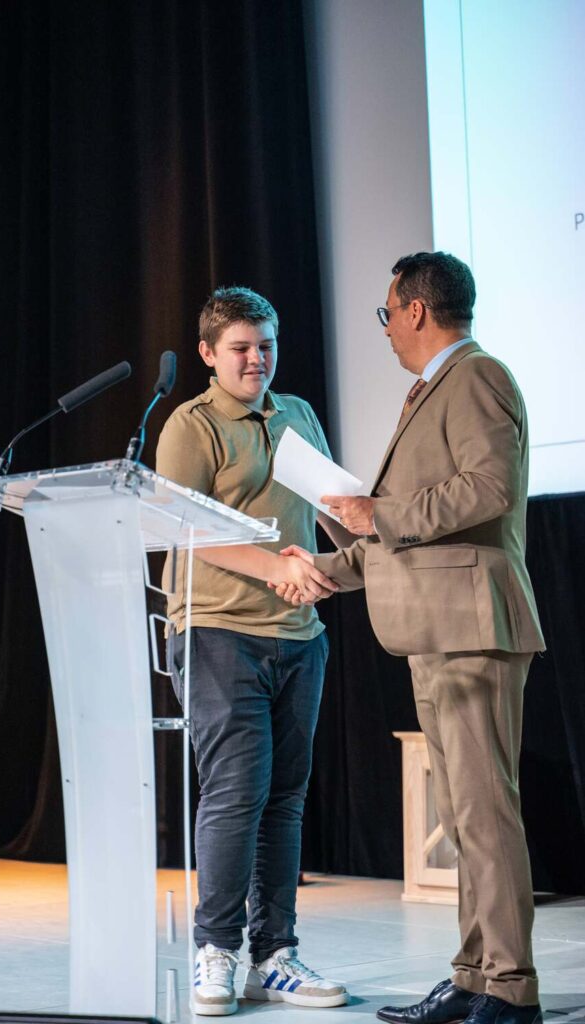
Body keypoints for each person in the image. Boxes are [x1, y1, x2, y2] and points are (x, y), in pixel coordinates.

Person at [276, 253, 545, 1024]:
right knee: (464, 817)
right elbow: (401, 531)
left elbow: (487, 488)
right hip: (433, 624)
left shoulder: (477, 377)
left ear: (417, 310)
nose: (387, 326)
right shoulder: (428, 391)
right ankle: (472, 977)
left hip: (472, 624)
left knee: (485, 812)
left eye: (387, 311)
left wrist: (377, 514)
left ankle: (510, 988)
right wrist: (328, 564)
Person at [155, 286, 348, 1016]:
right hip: (215, 628)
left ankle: (276, 955)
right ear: (208, 354)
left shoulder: (295, 413)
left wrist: (367, 556)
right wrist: (274, 567)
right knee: (236, 794)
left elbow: (331, 507)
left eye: (265, 344)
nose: (255, 359)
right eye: (239, 347)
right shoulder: (191, 423)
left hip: (298, 635)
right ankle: (216, 952)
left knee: (284, 801)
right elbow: (183, 525)